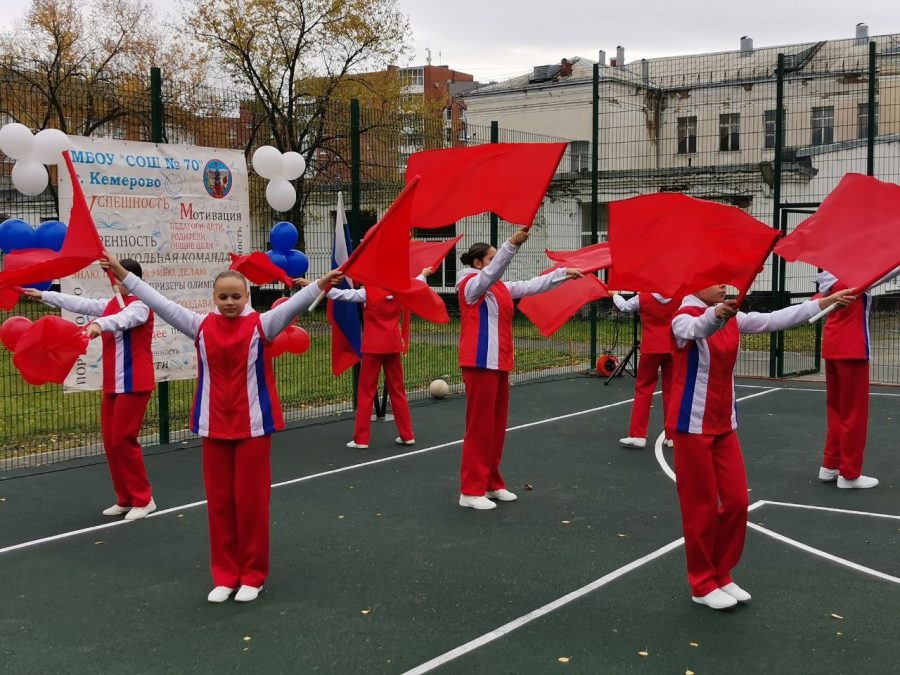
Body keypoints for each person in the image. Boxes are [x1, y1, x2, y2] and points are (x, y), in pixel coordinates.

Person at [102, 250, 342, 603]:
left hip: (253, 428)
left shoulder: (263, 324)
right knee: (219, 503)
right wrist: (123, 274)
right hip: (213, 428)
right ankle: (225, 575)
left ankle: (253, 575)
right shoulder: (199, 325)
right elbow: (158, 300)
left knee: (252, 502)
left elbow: (293, 306)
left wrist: (321, 283)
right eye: (223, 297)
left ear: (247, 297)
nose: (230, 302)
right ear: (213, 299)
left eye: (236, 296)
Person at [667, 283, 854, 610]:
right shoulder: (683, 318)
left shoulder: (733, 318)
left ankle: (722, 573)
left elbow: (775, 319)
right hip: (691, 426)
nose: (724, 287)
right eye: (716, 282)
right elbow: (697, 328)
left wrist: (827, 302)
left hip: (725, 423)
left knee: (738, 501)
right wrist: (716, 314)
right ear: (695, 285)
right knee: (701, 508)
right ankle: (701, 582)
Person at [456, 229, 582, 510]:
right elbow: (491, 274)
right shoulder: (469, 284)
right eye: (491, 258)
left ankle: (491, 483)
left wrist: (562, 274)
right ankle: (470, 490)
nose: (495, 262)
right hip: (478, 363)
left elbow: (531, 285)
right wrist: (510, 245)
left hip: (499, 363)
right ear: (478, 263)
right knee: (479, 428)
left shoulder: (499, 287)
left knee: (496, 427)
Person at [25, 259, 157, 520]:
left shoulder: (141, 306)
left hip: (134, 383)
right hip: (113, 384)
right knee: (110, 441)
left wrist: (98, 325)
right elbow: (82, 304)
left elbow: (122, 319)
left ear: (134, 281)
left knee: (123, 440)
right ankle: (125, 498)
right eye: (115, 277)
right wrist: (44, 294)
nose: (115, 282)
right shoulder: (110, 304)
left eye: (120, 278)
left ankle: (144, 499)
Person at [328, 267, 434, 449]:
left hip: (372, 347)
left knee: (366, 391)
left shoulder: (366, 292)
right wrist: (424, 273)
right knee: (398, 390)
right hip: (393, 345)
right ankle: (407, 434)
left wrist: (317, 285)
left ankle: (361, 439)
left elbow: (340, 295)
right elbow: (418, 282)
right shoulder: (401, 290)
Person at [816, 267, 899, 488]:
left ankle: (830, 466)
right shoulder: (851, 278)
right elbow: (887, 272)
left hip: (833, 345)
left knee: (836, 410)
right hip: (852, 348)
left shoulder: (827, 279)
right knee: (854, 413)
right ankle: (850, 474)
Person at [612, 292, 675, 449]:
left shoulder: (644, 297)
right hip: (673, 346)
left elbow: (625, 307)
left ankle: (638, 434)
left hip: (651, 347)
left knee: (643, 389)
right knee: (672, 390)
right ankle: (673, 436)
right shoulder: (680, 295)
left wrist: (614, 295)